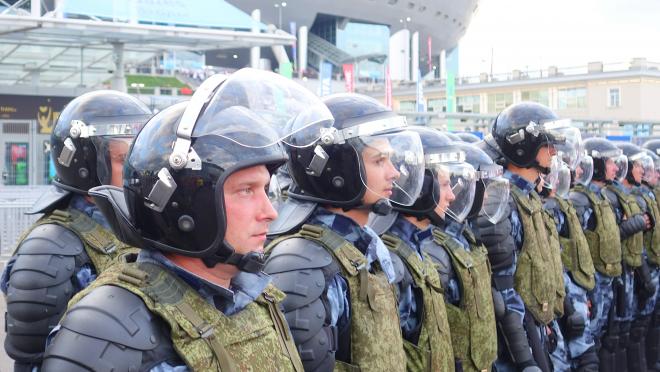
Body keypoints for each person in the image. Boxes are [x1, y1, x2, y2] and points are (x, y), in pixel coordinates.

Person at [40, 69, 331, 371]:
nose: (270, 211)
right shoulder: (106, 329)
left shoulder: (257, 296)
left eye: (266, 190)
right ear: (188, 208)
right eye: (246, 191)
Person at [263, 93, 424, 371]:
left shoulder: (369, 244)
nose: (394, 172)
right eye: (379, 161)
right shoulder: (300, 262)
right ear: (340, 170)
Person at [0, 90, 152, 372]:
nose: (137, 172)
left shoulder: (138, 224)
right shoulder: (46, 250)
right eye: (124, 161)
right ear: (87, 167)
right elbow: (32, 361)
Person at [370, 129, 503, 372]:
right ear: (421, 187)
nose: (452, 196)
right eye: (444, 185)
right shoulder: (392, 258)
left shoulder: (418, 248)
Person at [472, 102, 580, 372]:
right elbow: (503, 289)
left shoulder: (528, 195)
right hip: (517, 346)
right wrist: (528, 360)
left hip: (542, 331)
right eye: (548, 144)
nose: (554, 151)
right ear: (523, 147)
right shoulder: (500, 199)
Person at [540, 155, 599, 371]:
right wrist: (569, 306)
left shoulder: (562, 207)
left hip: (572, 294)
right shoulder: (545, 211)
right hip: (555, 304)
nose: (578, 173)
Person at [613, 142, 657, 371]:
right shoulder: (615, 198)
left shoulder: (632, 197)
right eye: (638, 165)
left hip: (633, 271)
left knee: (635, 329)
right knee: (617, 336)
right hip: (620, 275)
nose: (644, 171)